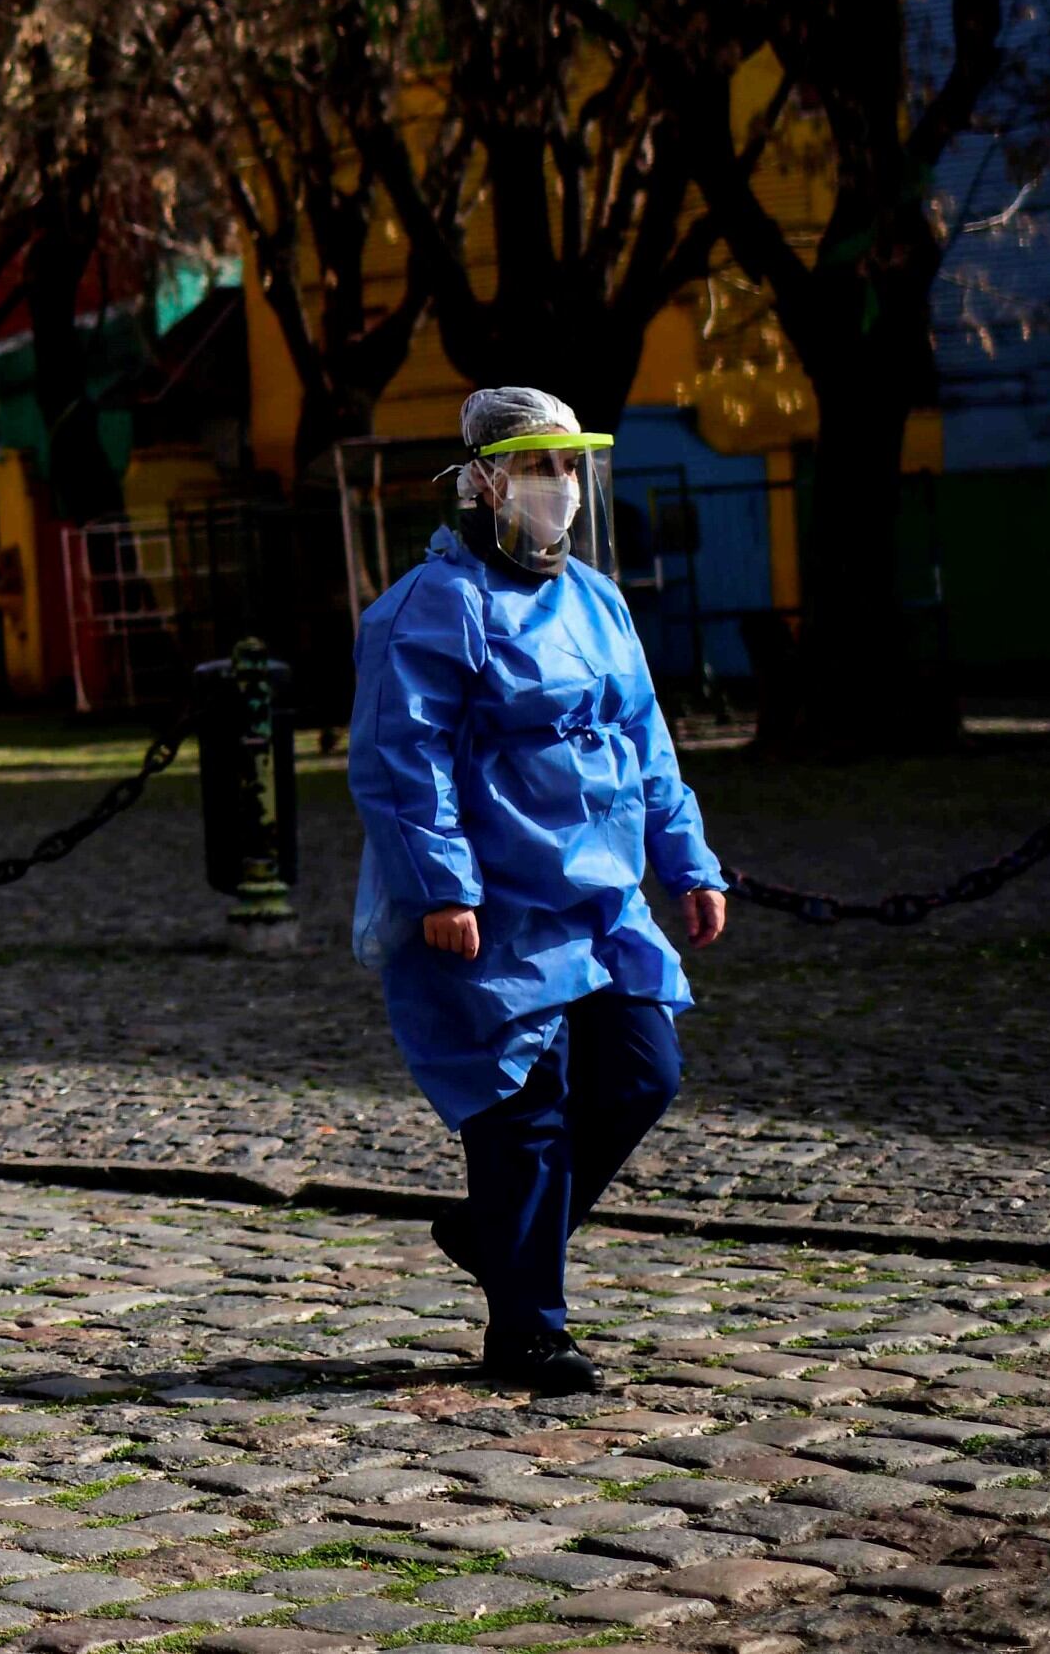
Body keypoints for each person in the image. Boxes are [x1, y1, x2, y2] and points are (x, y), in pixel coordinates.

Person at [349, 384, 730, 1398]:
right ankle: (528, 1329)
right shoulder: (431, 610)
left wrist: (686, 860)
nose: (559, 488)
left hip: (600, 902)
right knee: (526, 1108)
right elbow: (404, 758)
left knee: (643, 1071)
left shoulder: (598, 602)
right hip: (497, 907)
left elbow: (648, 742)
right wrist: (442, 887)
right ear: (484, 482)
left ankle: (498, 1235)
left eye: (570, 467)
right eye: (537, 467)